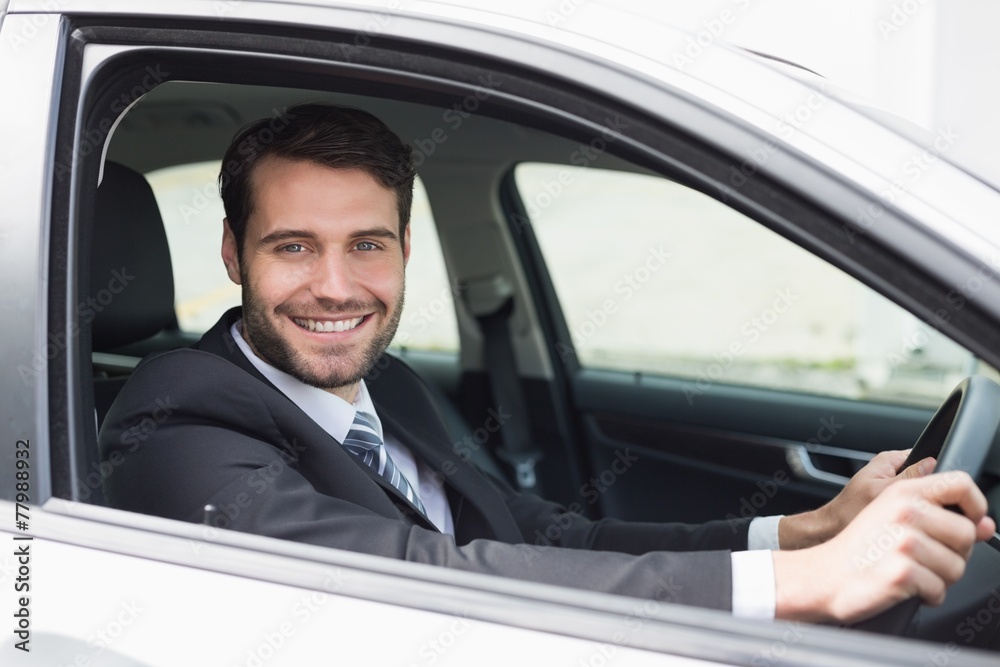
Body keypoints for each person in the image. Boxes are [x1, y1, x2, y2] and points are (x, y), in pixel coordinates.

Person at [100, 103, 994, 622]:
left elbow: (543, 536)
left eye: (366, 245)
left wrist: (803, 530)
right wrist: (803, 583)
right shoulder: (172, 427)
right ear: (231, 252)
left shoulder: (389, 384)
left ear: (408, 247)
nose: (337, 287)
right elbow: (422, 576)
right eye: (293, 247)